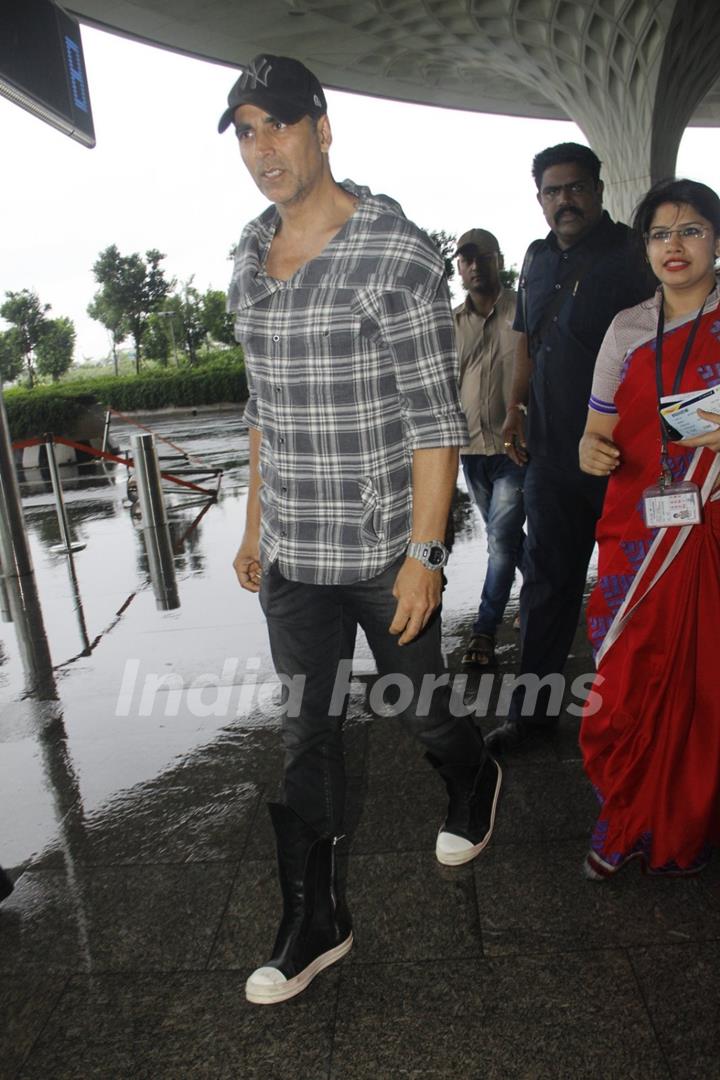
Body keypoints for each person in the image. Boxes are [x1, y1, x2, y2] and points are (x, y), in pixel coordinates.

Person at [221, 54, 502, 1005]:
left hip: (385, 551)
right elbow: (261, 408)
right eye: (248, 131)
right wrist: (256, 524)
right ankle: (317, 919)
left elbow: (434, 422)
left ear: (323, 127)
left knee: (424, 708)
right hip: (295, 558)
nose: (264, 149)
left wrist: (425, 558)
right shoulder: (246, 260)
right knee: (308, 735)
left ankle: (472, 773)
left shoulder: (399, 254)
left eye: (280, 125)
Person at [486, 143, 654, 753]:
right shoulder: (533, 259)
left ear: (598, 189)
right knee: (546, 585)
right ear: (540, 199)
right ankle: (532, 718)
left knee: (630, 588)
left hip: (622, 459)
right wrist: (513, 410)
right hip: (553, 458)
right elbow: (526, 344)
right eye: (553, 192)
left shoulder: (633, 257)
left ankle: (639, 713)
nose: (565, 200)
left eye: (575, 188)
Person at [578, 178, 720, 878]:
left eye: (691, 230)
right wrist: (594, 448)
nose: (675, 245)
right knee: (629, 675)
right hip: (639, 533)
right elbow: (594, 433)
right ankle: (626, 811)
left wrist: (678, 426)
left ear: (716, 242)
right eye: (660, 233)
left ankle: (692, 816)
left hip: (714, 529)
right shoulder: (627, 329)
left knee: (706, 681)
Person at [453, 229, 525, 669]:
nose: (476, 265)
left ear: (499, 260)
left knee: (499, 540)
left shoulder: (525, 310)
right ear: (459, 268)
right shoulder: (451, 323)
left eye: (483, 257)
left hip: (516, 446)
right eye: (467, 259)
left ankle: (484, 629)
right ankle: (541, 593)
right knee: (508, 538)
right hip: (470, 450)